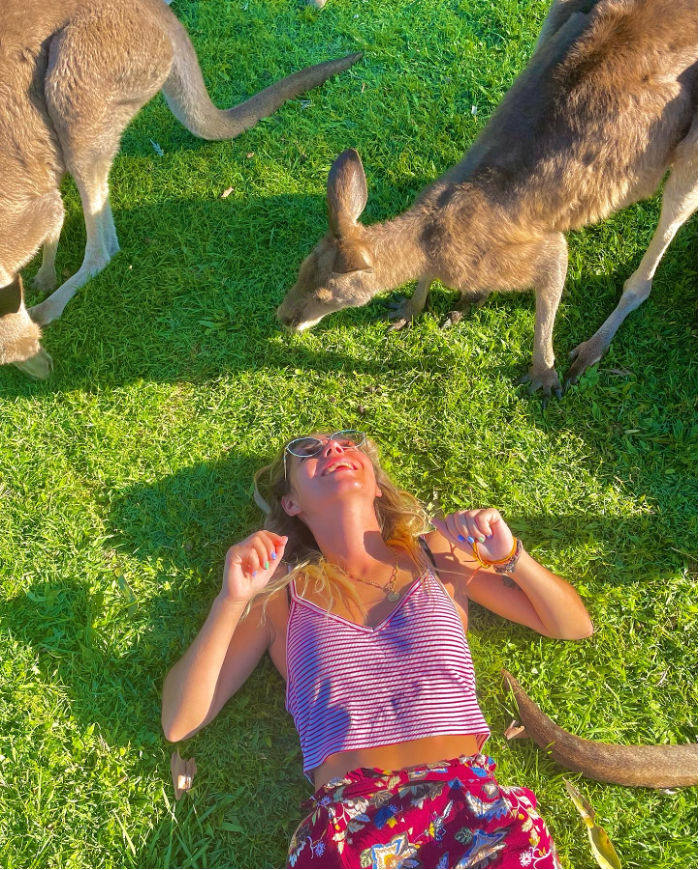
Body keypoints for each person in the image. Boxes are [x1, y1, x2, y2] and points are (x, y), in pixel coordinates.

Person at [162, 430, 594, 869]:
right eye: (307, 451)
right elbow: (179, 722)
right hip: (351, 828)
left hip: (474, 813)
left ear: (375, 480)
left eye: (347, 443)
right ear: (291, 503)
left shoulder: (437, 554)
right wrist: (230, 601)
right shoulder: (280, 597)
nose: (333, 449)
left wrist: (511, 557)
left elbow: (572, 626)